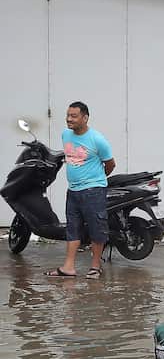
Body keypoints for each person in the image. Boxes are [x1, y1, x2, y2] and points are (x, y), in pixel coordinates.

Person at [48, 102, 114, 279]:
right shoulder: (66, 135)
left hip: (93, 191)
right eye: (68, 115)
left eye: (74, 116)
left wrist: (95, 180)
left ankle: (95, 267)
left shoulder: (97, 139)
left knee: (96, 228)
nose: (69, 119)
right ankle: (68, 267)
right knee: (72, 228)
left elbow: (110, 164)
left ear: (85, 118)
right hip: (73, 191)